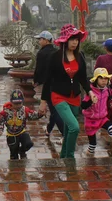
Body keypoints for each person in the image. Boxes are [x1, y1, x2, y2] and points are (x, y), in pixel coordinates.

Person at [39, 24, 95, 159]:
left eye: (76, 39)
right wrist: (43, 101)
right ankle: (70, 158)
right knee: (74, 127)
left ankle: (63, 156)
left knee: (69, 128)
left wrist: (90, 92)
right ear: (65, 40)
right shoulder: (55, 57)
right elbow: (47, 80)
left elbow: (82, 78)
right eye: (72, 39)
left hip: (75, 97)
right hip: (59, 96)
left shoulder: (80, 56)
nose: (75, 42)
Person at [81, 68, 112, 157]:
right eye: (101, 78)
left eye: (106, 79)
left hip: (102, 118)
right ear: (96, 79)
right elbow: (83, 105)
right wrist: (91, 101)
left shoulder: (107, 90)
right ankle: (90, 154)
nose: (104, 81)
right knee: (92, 145)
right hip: (91, 119)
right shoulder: (91, 91)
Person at [34, 31, 64, 141]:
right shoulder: (57, 52)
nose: (39, 41)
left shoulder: (41, 53)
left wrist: (36, 81)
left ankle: (65, 134)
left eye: (40, 39)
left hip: (48, 85)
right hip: (59, 83)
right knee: (54, 108)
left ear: (46, 40)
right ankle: (49, 129)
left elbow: (39, 69)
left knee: (55, 111)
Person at [0, 89, 43, 159]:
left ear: (22, 102)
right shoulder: (5, 112)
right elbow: (0, 121)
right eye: (15, 103)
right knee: (13, 154)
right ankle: (15, 166)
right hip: (11, 135)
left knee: (28, 143)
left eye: (19, 103)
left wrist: (40, 114)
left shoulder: (24, 110)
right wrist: (0, 129)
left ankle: (22, 151)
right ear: (11, 102)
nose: (17, 105)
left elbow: (33, 115)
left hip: (22, 132)